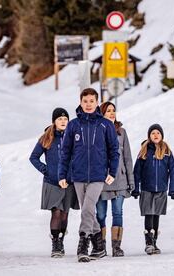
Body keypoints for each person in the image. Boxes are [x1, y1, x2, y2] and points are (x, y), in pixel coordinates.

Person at [58, 88, 120, 263]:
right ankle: (99, 246)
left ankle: (83, 243)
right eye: (85, 101)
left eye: (91, 101)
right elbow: (66, 152)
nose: (88, 104)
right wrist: (62, 175)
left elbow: (114, 151)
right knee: (89, 212)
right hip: (78, 175)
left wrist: (112, 171)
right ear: (80, 102)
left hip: (98, 176)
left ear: (97, 102)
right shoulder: (73, 125)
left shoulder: (105, 125)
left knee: (87, 209)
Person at [29, 107, 79, 258]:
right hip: (52, 182)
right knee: (56, 212)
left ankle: (61, 240)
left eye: (65, 119)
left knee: (64, 214)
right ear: (54, 122)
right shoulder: (47, 137)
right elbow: (33, 158)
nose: (63, 122)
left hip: (69, 182)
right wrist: (47, 170)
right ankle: (55, 242)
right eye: (60, 119)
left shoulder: (74, 137)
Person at [132, 124, 174, 255]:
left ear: (162, 135)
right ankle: (148, 242)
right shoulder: (144, 151)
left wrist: (173, 189)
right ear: (149, 136)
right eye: (153, 133)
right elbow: (137, 172)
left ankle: (154, 241)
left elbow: (173, 170)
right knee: (149, 214)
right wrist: (136, 188)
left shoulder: (167, 151)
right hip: (147, 189)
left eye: (158, 133)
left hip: (161, 190)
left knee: (156, 215)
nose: (156, 135)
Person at [96, 102, 134, 257]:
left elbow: (128, 158)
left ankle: (116, 247)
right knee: (100, 215)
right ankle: (100, 246)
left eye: (113, 110)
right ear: (102, 114)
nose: (112, 113)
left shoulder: (122, 132)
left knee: (118, 213)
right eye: (108, 111)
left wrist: (131, 180)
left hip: (120, 180)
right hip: (101, 181)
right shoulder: (96, 131)